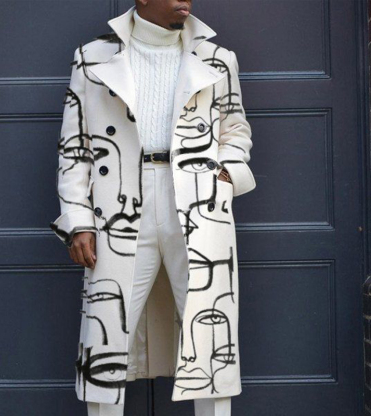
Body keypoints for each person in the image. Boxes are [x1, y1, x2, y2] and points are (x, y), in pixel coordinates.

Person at [50, 1, 256, 415]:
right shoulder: (93, 57)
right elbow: (75, 148)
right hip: (119, 201)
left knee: (210, 329)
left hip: (197, 198)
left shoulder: (217, 58)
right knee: (107, 330)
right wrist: (77, 220)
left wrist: (224, 176)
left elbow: (235, 129)